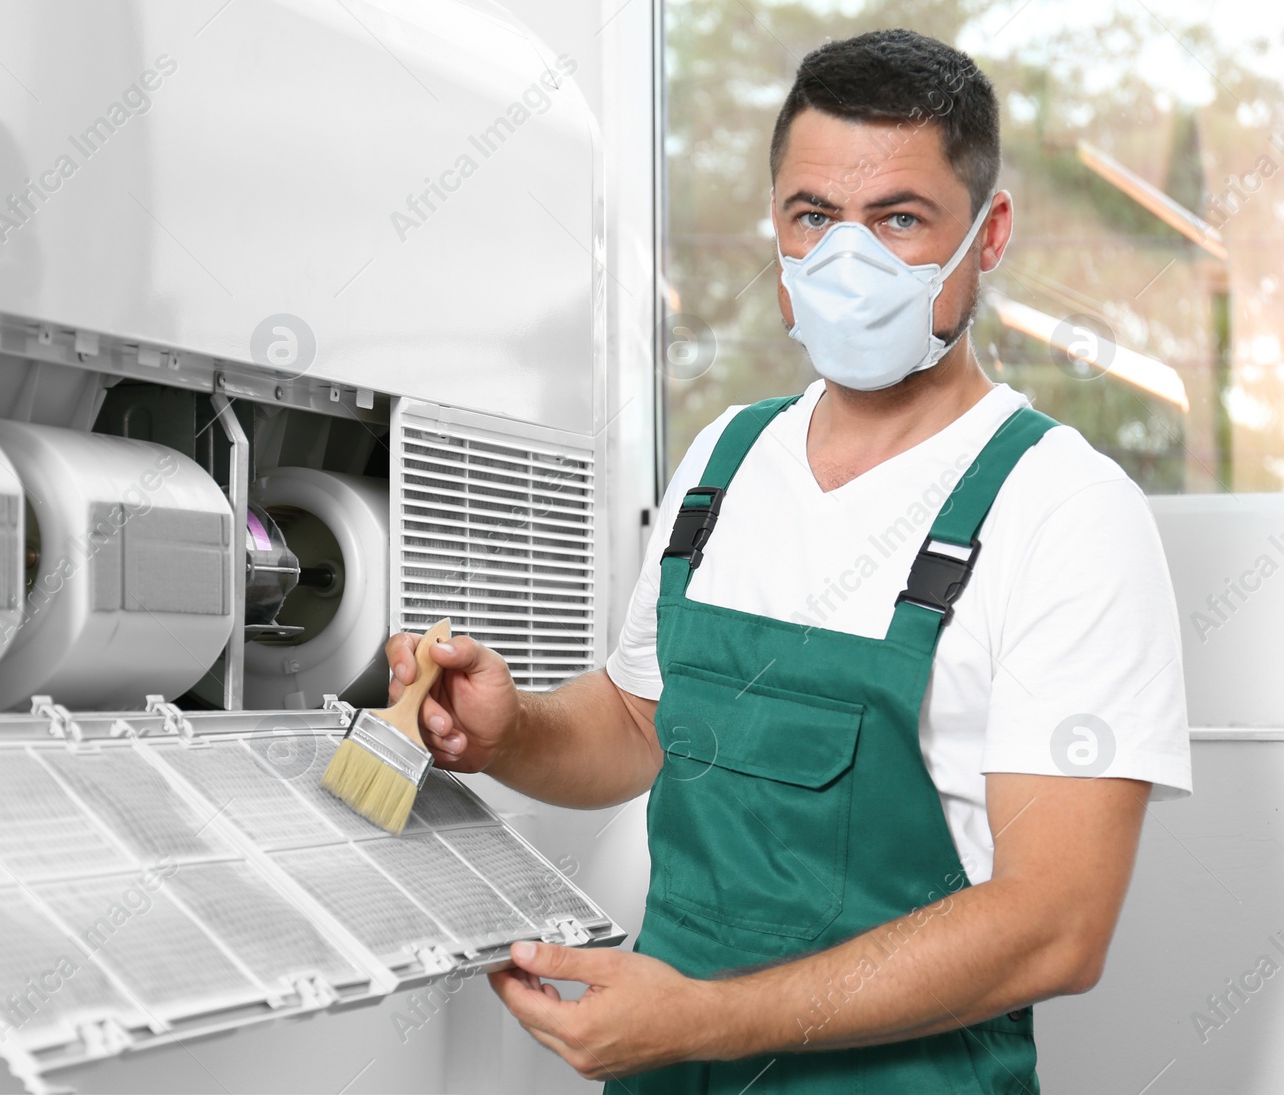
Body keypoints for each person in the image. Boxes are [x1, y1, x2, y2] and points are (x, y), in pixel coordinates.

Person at [384, 27, 1191, 1093]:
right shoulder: (727, 456)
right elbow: (636, 726)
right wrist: (512, 728)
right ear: (777, 229)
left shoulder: (1064, 510)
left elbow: (1056, 927)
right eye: (814, 217)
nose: (845, 260)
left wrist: (705, 1022)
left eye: (898, 220)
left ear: (986, 236)